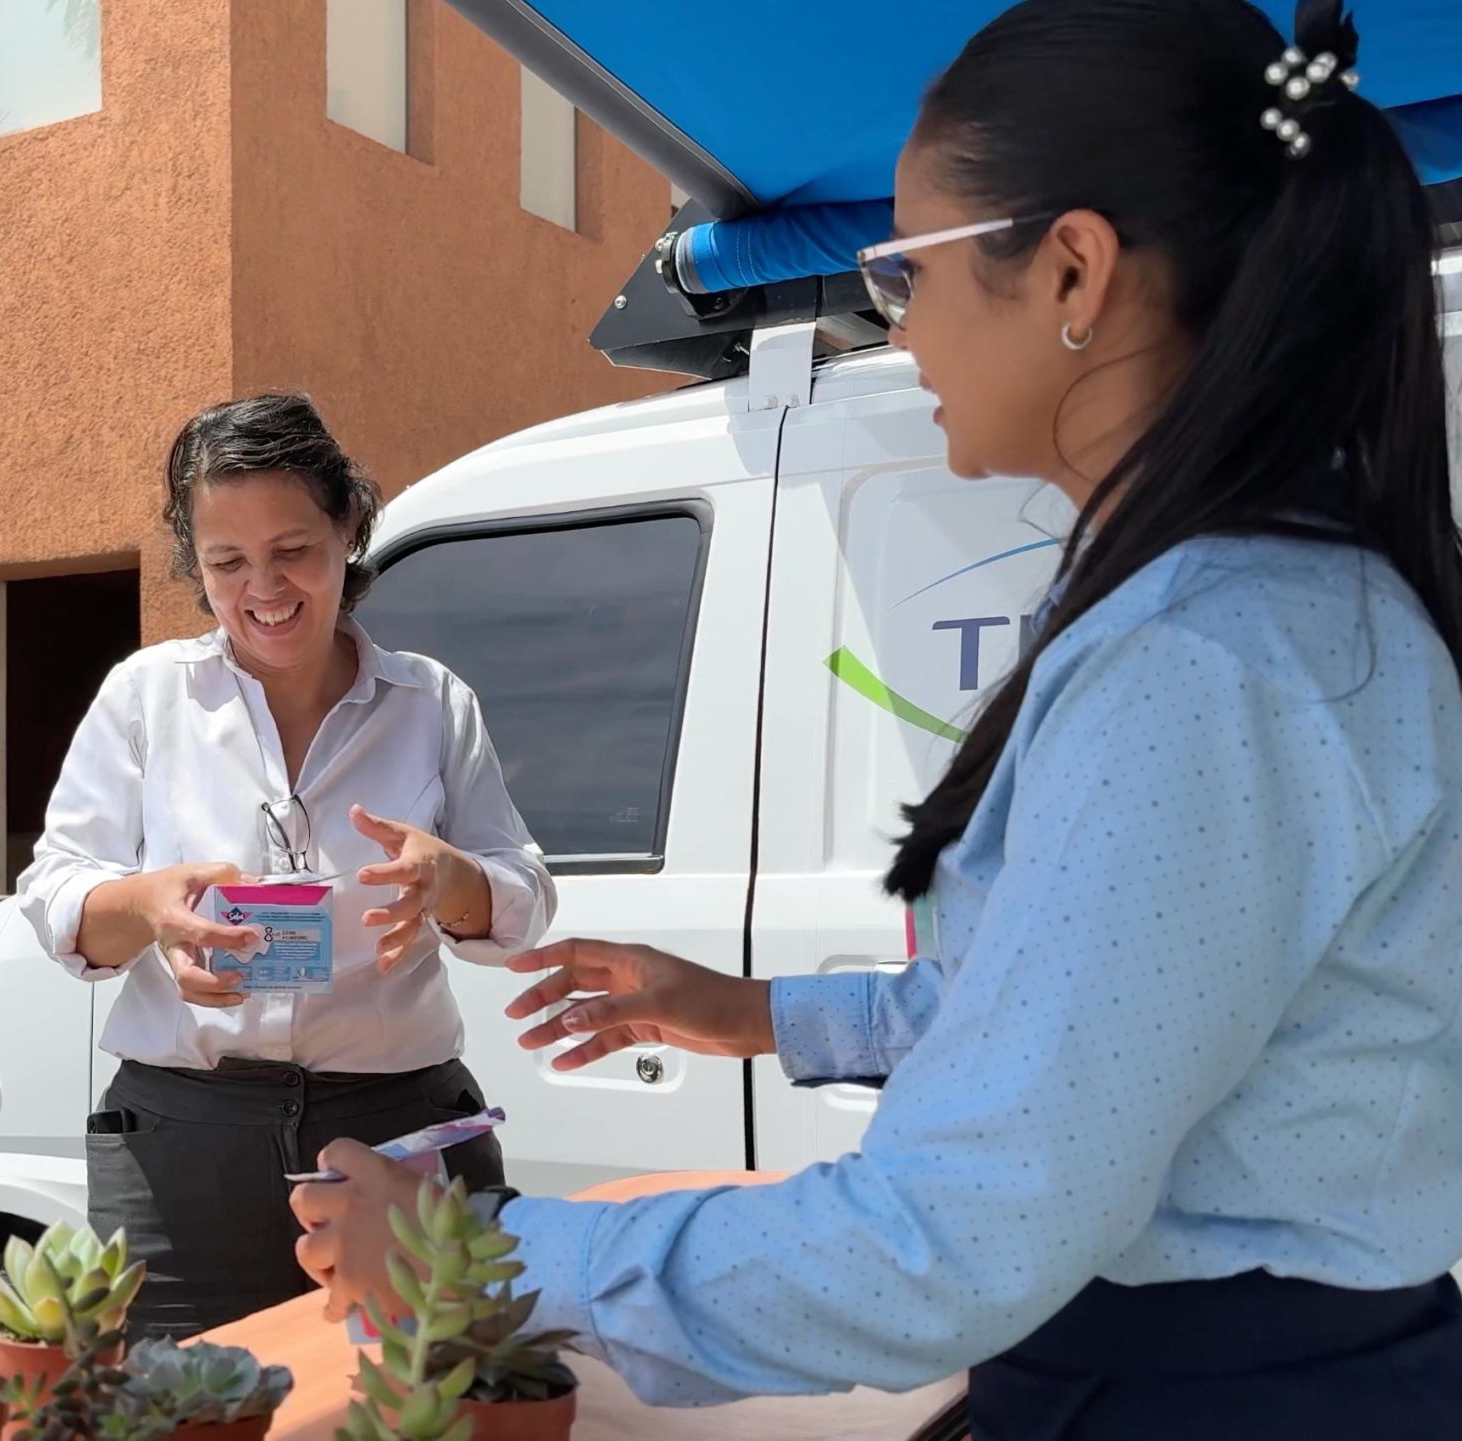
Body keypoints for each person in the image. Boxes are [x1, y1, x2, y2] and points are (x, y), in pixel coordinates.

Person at [292, 1, 1462, 1435]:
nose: (897, 333)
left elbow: (957, 1231)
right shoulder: (1247, 611)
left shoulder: (1202, 661)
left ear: (1074, 270)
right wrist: (757, 1011)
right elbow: (1075, 1009)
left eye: (907, 274)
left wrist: (472, 1255)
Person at [21, 394, 556, 1339]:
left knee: (423, 1397)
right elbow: (58, 889)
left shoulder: (431, 703)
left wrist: (453, 882)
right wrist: (148, 906)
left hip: (399, 1127)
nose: (263, 588)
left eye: (294, 549)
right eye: (228, 562)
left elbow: (524, 894)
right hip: (184, 1148)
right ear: (197, 566)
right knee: (185, 1406)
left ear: (349, 528)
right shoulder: (147, 697)